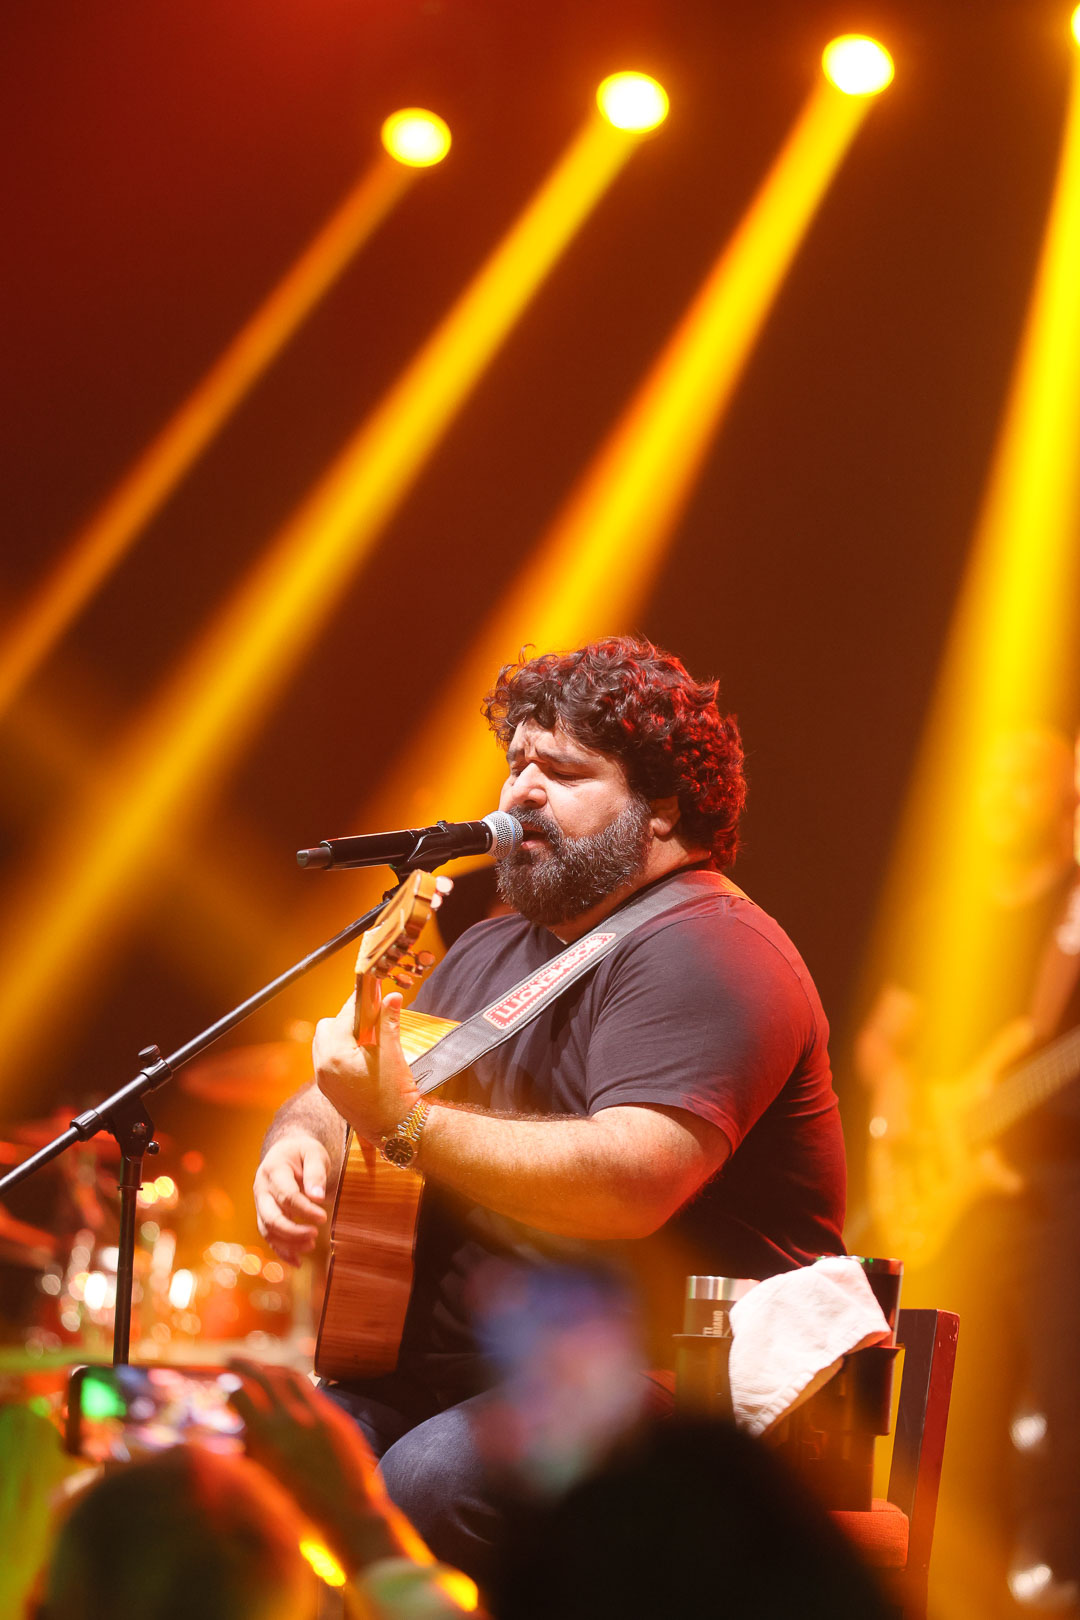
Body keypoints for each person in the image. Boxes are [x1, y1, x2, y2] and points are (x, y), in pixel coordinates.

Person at [254, 636, 847, 1584]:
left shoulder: (715, 950)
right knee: (260, 1466)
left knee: (432, 1480)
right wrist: (302, 1141)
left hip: (674, 1394)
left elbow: (633, 1182)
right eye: (515, 765)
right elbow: (370, 1084)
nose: (521, 792)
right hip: (457, 1380)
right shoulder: (489, 949)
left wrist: (403, 1125)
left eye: (563, 771)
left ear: (662, 808)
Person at [855, 725, 1080, 1620]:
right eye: (994, 774)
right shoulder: (951, 910)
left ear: (1067, 792)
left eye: (1027, 775)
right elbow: (881, 1040)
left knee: (1065, 1396)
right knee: (948, 1406)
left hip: (1058, 1184)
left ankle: (1057, 1580)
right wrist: (904, 1097)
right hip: (957, 1183)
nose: (1003, 791)